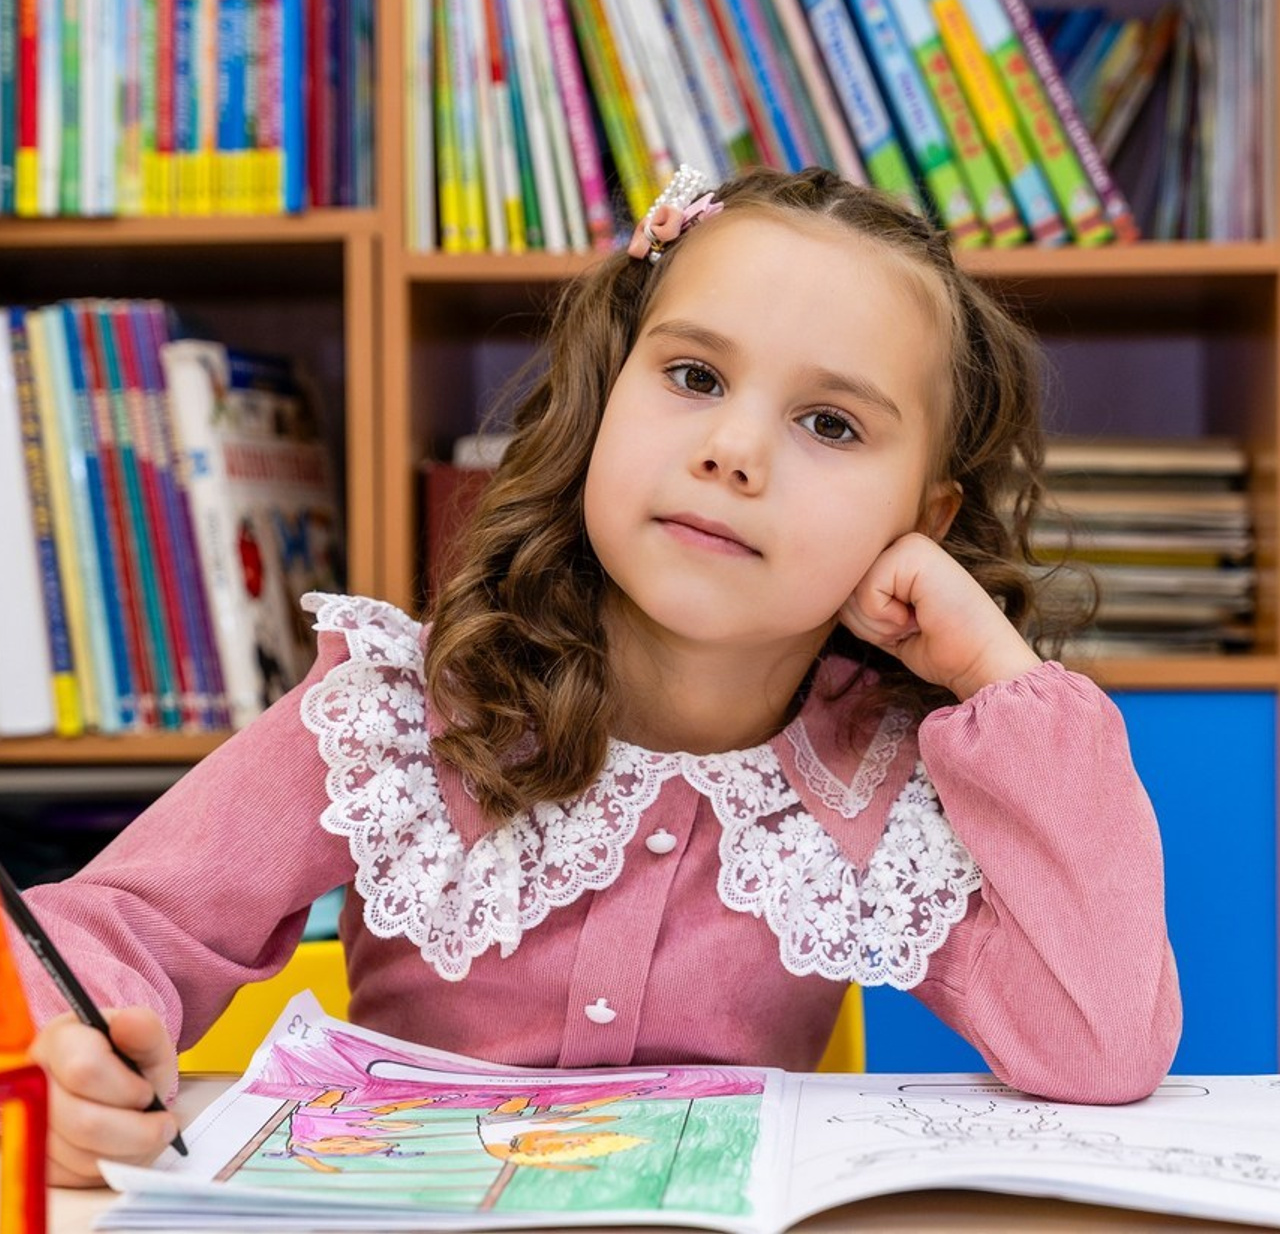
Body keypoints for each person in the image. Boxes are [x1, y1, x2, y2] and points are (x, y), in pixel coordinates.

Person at [14, 166, 1180, 1188]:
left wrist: (995, 673)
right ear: (602, 398)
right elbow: (107, 927)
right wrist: (76, 1053)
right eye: (691, 375)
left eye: (828, 423)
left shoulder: (877, 773)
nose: (733, 450)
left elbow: (1098, 1042)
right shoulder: (403, 705)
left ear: (920, 519)